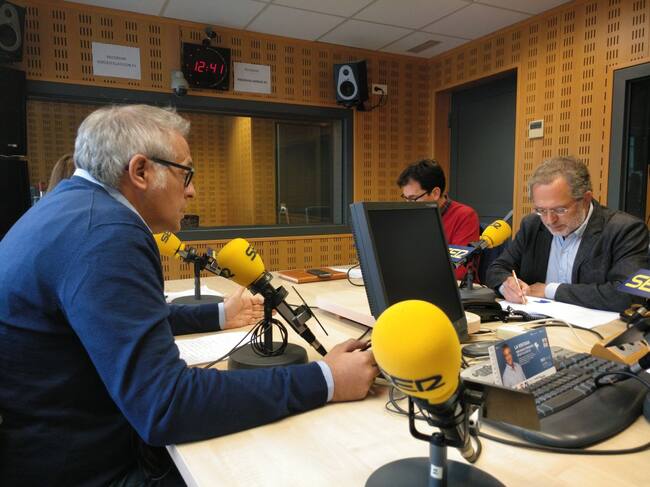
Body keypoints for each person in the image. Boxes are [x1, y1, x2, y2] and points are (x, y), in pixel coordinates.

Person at [0, 105, 378, 485]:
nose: (192, 190)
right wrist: (325, 379)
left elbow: (124, 319)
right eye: (186, 174)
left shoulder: (71, 209)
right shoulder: (106, 234)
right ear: (140, 171)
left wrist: (218, 315)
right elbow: (167, 404)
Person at [486, 156, 648, 312]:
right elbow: (497, 268)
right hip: (532, 322)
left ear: (586, 199)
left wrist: (550, 290)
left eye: (560, 210)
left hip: (594, 328)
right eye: (541, 210)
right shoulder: (532, 225)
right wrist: (507, 285)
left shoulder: (625, 230)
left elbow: (631, 296)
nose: (549, 220)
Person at [397, 159, 480, 279]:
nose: (409, 205)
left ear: (435, 193)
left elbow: (460, 269)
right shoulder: (411, 217)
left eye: (413, 199)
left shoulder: (465, 216)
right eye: (406, 198)